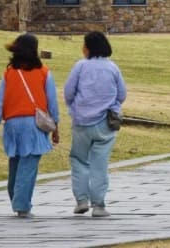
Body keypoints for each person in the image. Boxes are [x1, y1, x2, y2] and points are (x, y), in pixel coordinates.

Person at [0, 33, 59, 217]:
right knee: (28, 166)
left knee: (15, 162)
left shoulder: (10, 72)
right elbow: (52, 102)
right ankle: (21, 205)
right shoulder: (43, 71)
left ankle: (15, 196)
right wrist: (56, 127)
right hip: (33, 124)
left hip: (12, 123)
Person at [62, 30, 127, 217]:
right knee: (100, 163)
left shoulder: (80, 66)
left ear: (88, 48)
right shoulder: (113, 68)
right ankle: (99, 205)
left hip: (81, 122)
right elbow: (122, 94)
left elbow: (68, 92)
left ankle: (81, 200)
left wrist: (75, 107)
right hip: (105, 123)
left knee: (79, 160)